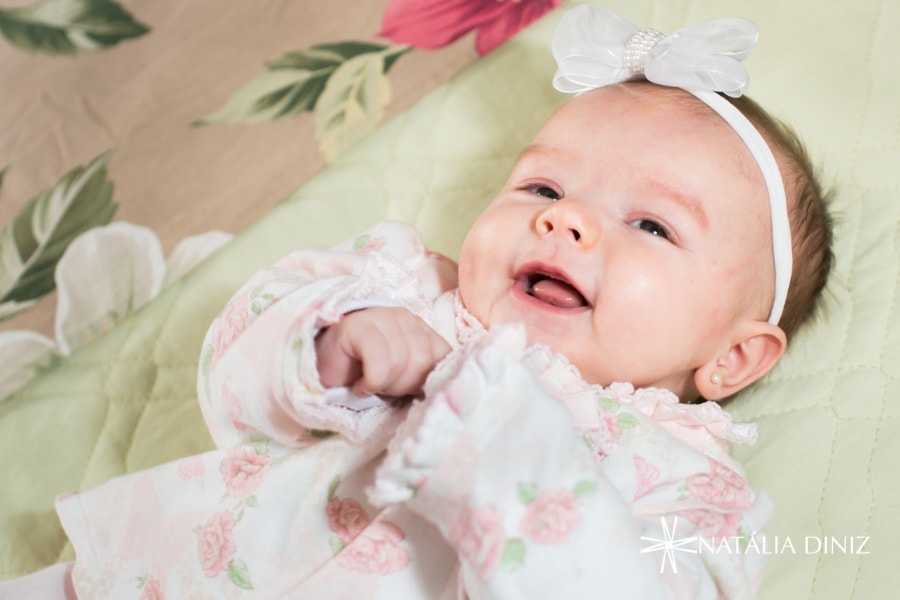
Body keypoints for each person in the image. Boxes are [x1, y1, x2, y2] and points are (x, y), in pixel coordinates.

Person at [2, 5, 832, 599]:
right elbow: (234, 377)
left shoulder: (689, 492)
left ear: (733, 356)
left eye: (651, 224)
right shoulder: (404, 291)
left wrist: (511, 450)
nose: (564, 218)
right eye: (542, 184)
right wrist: (326, 342)